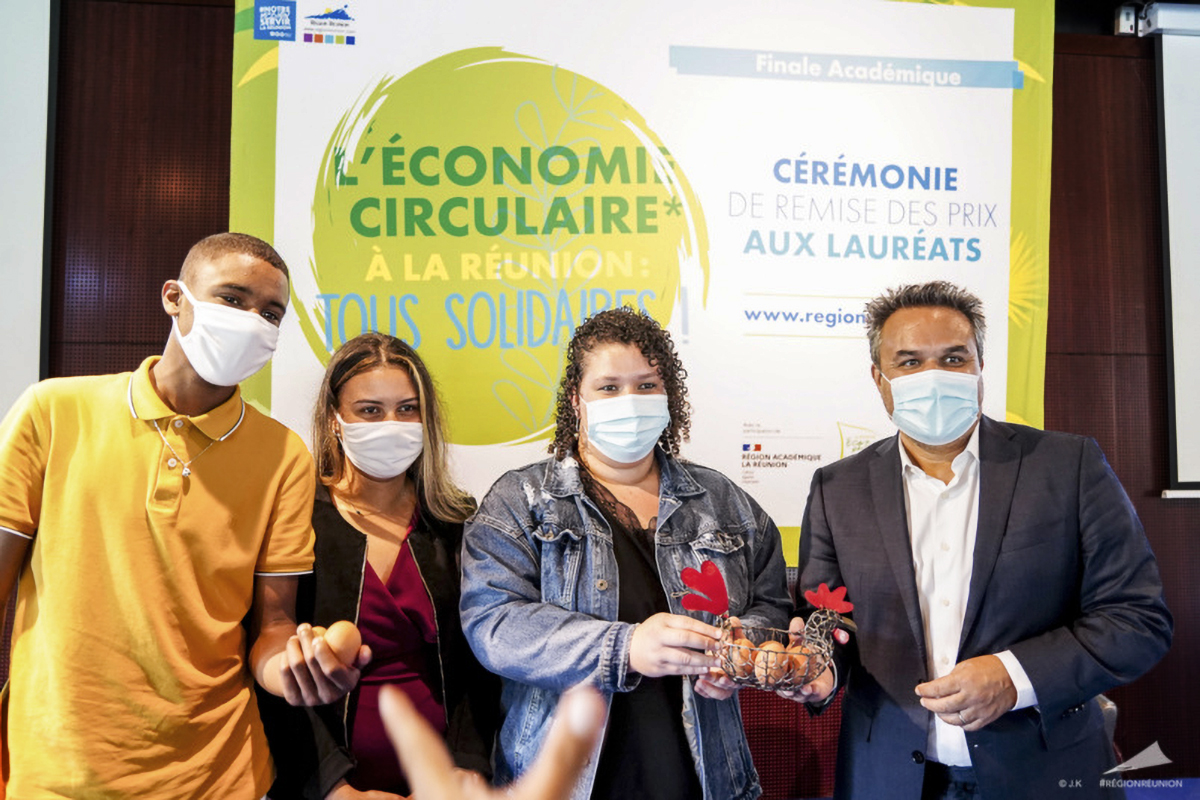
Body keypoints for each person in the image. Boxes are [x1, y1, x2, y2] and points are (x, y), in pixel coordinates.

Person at [0, 233, 361, 799]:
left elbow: (271, 629)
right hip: (58, 770)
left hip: (220, 775)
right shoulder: (52, 411)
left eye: (271, 313)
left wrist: (292, 672)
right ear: (174, 296)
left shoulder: (285, 455)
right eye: (232, 299)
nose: (251, 321)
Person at [792, 280, 1172, 800]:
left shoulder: (1068, 467)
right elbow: (826, 621)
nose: (933, 377)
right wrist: (817, 671)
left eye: (953, 358)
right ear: (879, 380)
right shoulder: (838, 488)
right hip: (889, 778)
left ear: (979, 369)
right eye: (908, 362)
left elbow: (1138, 620)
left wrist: (1016, 676)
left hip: (1045, 774)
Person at [460, 306, 791, 800]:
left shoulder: (723, 501)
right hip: (563, 780)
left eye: (646, 386)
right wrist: (625, 647)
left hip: (701, 776)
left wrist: (742, 650)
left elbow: (772, 604)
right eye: (609, 387)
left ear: (668, 397)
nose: (629, 401)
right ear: (577, 400)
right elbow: (493, 625)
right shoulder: (520, 500)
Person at [260, 332, 498, 799]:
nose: (392, 423)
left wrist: (468, 766)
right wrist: (332, 787)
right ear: (335, 420)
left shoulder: (456, 521)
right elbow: (279, 666)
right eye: (370, 410)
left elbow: (479, 663)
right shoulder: (299, 516)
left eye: (407, 409)